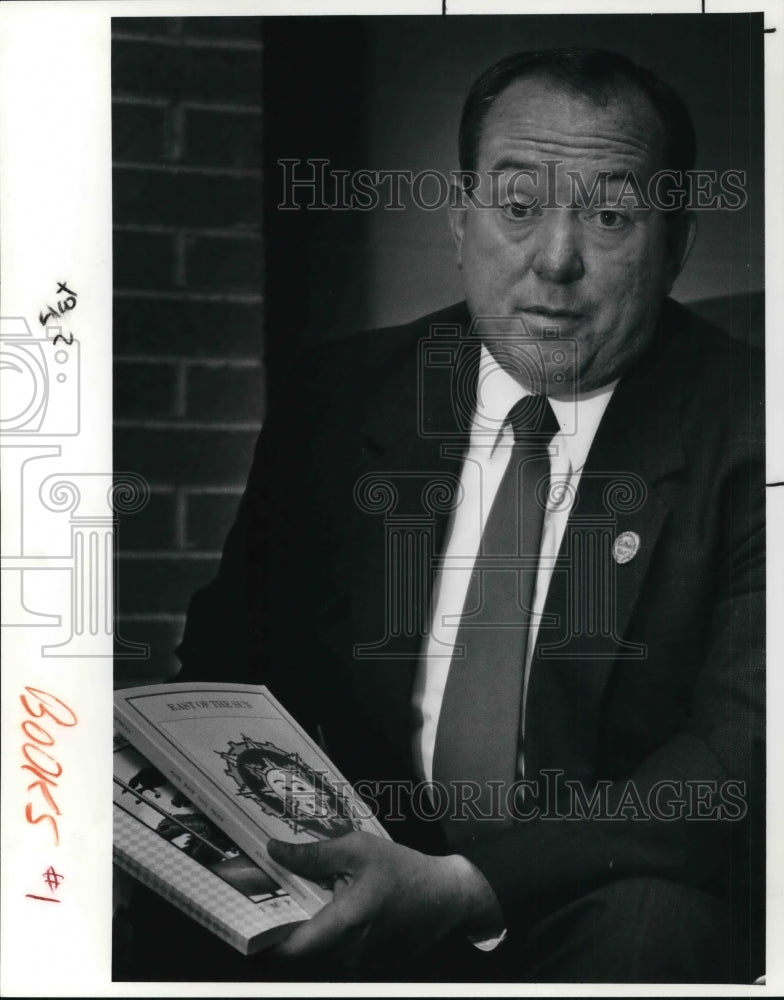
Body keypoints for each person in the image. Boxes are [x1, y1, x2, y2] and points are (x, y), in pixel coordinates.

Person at [160, 48, 763, 983]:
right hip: (346, 875)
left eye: (611, 214)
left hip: (596, 889)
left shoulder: (753, 427)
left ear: (677, 241)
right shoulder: (339, 397)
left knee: (659, 933)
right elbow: (230, 670)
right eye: (517, 206)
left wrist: (468, 882)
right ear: (460, 217)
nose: (556, 260)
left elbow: (739, 758)